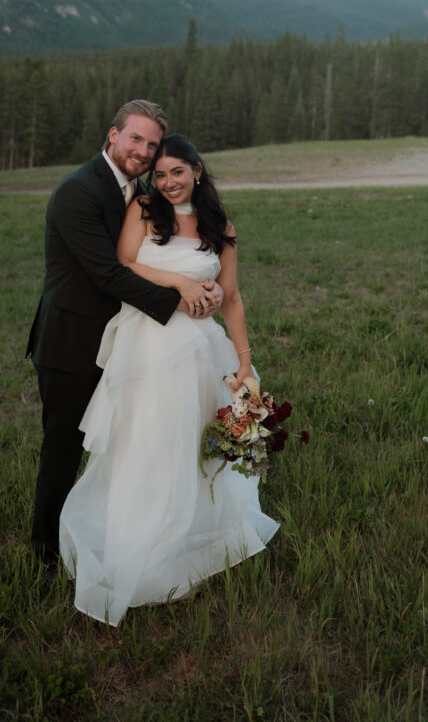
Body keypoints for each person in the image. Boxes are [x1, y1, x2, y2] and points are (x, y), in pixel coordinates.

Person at [59, 133, 279, 625]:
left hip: (203, 348)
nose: (167, 182)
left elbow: (234, 297)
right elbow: (124, 264)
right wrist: (179, 282)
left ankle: (187, 543)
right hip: (150, 344)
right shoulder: (143, 210)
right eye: (159, 174)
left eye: (177, 171)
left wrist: (245, 363)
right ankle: (139, 546)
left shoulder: (220, 225)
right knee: (150, 443)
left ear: (198, 170)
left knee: (194, 446)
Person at [27, 102, 223, 572]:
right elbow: (108, 273)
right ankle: (45, 553)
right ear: (112, 134)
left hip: (128, 342)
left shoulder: (139, 192)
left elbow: (151, 255)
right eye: (135, 139)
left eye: (151, 144)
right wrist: (186, 295)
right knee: (63, 448)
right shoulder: (77, 192)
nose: (142, 151)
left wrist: (202, 283)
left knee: (128, 442)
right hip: (73, 341)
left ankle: (122, 532)